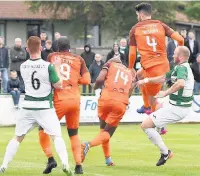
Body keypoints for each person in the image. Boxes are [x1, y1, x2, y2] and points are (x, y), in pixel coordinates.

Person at [0, 36, 73, 176]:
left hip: (27, 106)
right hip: (44, 106)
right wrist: (57, 68)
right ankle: (65, 162)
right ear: (41, 48)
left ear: (27, 49)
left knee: (17, 137)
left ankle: (4, 165)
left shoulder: (23, 66)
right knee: (56, 136)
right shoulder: (48, 66)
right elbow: (58, 85)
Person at [128, 3, 184, 134]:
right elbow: (180, 39)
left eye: (137, 15)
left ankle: (161, 125)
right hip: (162, 66)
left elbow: (132, 53)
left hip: (152, 69)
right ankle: (146, 106)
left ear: (141, 14)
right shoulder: (160, 25)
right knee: (140, 76)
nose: (137, 17)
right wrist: (178, 56)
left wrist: (130, 67)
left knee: (154, 99)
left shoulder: (135, 29)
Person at [38, 36, 91, 174]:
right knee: (73, 133)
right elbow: (87, 80)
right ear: (70, 46)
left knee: (42, 129)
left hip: (59, 99)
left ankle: (50, 159)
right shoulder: (79, 59)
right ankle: (79, 166)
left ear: (57, 46)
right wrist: (74, 80)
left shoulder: (52, 56)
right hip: (74, 99)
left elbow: (45, 74)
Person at [137, 46, 194, 166]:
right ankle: (158, 130)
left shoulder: (182, 68)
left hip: (178, 108)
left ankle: (165, 153)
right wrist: (145, 80)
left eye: (174, 54)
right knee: (157, 109)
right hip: (175, 106)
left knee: (145, 126)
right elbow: (163, 78)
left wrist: (165, 93)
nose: (172, 56)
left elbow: (180, 83)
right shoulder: (179, 67)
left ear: (180, 57)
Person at [81, 57, 136, 166]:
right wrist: (126, 98)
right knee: (107, 133)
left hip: (105, 98)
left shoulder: (109, 64)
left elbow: (100, 79)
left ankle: (108, 159)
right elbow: (131, 88)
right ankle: (87, 145)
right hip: (120, 102)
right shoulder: (130, 71)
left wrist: (95, 88)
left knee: (103, 130)